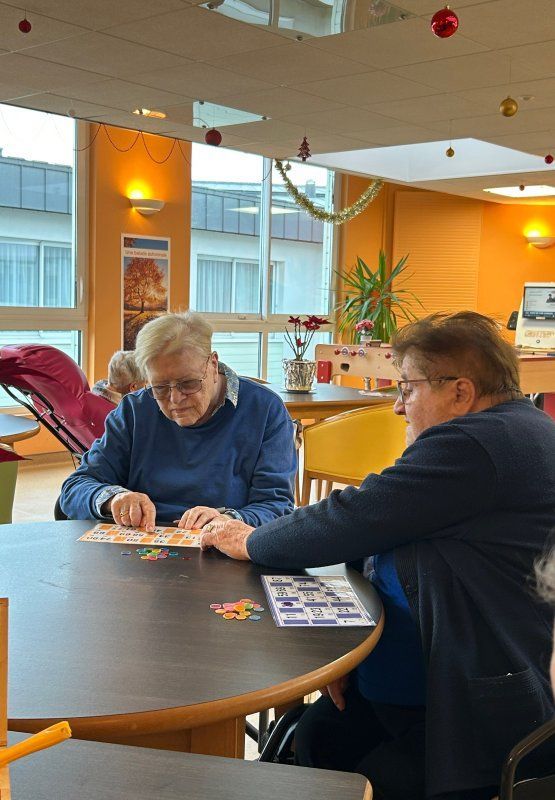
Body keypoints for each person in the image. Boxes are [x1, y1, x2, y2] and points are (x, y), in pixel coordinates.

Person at [201, 311, 555, 800]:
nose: (397, 407)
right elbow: (389, 525)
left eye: (407, 389)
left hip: (467, 705)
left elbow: (356, 516)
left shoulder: (478, 443)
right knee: (317, 736)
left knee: (354, 772)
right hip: (421, 678)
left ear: (461, 392)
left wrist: (249, 540)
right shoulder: (514, 428)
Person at [60, 311, 297, 530]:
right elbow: (75, 488)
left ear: (213, 364)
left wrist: (229, 520)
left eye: (188, 383)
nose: (175, 399)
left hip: (225, 548)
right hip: (142, 546)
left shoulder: (265, 410)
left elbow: (276, 506)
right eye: (160, 387)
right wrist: (113, 499)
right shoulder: (134, 410)